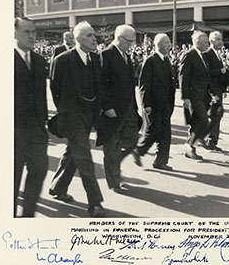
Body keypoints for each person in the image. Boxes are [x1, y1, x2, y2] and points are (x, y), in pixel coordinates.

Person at [48, 21, 106, 217]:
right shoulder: (63, 60)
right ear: (78, 38)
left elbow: (99, 88)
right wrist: (66, 111)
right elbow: (55, 90)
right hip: (72, 117)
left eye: (94, 35)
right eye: (90, 35)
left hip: (89, 116)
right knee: (85, 158)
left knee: (73, 153)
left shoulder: (96, 59)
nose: (94, 39)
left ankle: (57, 188)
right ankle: (95, 202)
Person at [96, 25, 142, 194]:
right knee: (112, 148)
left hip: (128, 108)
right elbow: (101, 84)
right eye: (129, 41)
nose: (131, 45)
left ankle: (115, 166)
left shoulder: (126, 56)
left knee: (133, 140)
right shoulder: (106, 55)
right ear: (120, 38)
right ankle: (115, 181)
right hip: (113, 110)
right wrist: (107, 107)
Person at [14, 17, 49, 217]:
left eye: (34, 32)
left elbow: (41, 95)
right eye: (26, 32)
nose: (31, 36)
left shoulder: (39, 60)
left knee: (39, 170)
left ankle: (27, 215)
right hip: (14, 129)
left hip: (36, 129)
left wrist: (43, 121)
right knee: (13, 176)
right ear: (15, 33)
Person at [133, 34, 176, 170]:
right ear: (159, 44)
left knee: (166, 133)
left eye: (169, 43)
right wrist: (146, 104)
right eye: (166, 43)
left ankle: (160, 161)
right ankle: (139, 150)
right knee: (155, 131)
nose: (169, 46)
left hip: (166, 104)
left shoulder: (166, 60)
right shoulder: (150, 60)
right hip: (154, 104)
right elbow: (143, 85)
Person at [179, 32, 220, 160]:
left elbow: (207, 77)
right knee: (203, 120)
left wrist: (213, 93)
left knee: (198, 121)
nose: (207, 44)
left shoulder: (202, 56)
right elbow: (183, 77)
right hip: (193, 96)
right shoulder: (189, 55)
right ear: (196, 42)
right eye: (205, 42)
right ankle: (190, 144)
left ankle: (191, 148)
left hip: (203, 95)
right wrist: (185, 97)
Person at [202, 31, 227, 151]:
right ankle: (209, 140)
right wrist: (220, 71)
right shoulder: (207, 54)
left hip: (218, 89)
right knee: (214, 115)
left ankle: (211, 140)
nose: (220, 41)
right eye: (217, 39)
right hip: (212, 91)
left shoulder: (218, 54)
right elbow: (206, 73)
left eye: (221, 39)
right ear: (211, 41)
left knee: (216, 115)